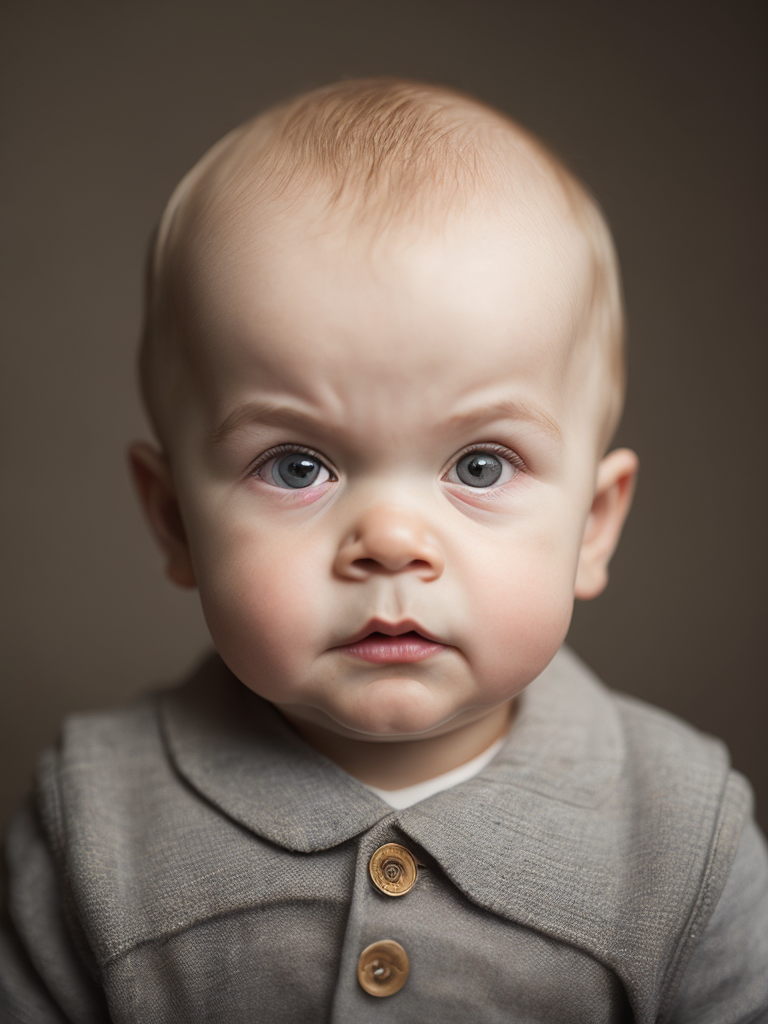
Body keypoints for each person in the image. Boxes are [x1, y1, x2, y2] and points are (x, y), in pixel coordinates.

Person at [2, 78, 766, 1023]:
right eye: (296, 466)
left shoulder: (683, 834)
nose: (393, 543)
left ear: (594, 526)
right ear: (172, 520)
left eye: (481, 466)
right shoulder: (94, 823)